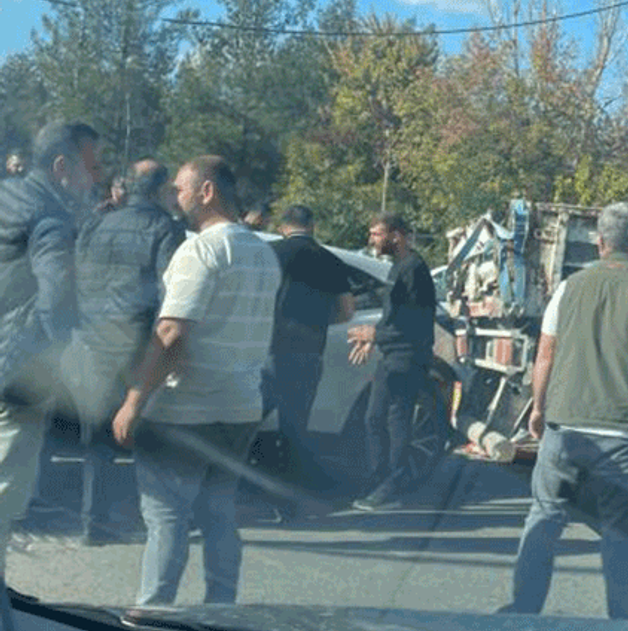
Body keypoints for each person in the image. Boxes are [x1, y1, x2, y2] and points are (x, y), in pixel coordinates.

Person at [501, 201, 628, 621]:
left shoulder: (570, 287)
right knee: (620, 529)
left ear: (600, 242)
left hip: (565, 427)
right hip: (626, 433)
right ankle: (624, 619)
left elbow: (545, 355)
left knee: (545, 515)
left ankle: (523, 609)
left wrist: (538, 407)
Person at [112, 156, 280, 605]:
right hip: (241, 408)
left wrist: (133, 401)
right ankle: (221, 609)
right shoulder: (264, 254)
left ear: (207, 191)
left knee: (166, 515)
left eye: (181, 189)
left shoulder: (200, 251)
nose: (175, 197)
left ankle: (154, 614)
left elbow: (171, 332)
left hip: (185, 409)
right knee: (219, 513)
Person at [64, 159, 184, 546]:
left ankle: (92, 521)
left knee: (95, 439)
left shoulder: (95, 223)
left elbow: (75, 278)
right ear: (160, 189)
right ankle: (143, 518)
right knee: (143, 433)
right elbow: (170, 294)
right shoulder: (166, 228)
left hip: (91, 341)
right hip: (136, 345)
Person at [0, 121, 101, 574]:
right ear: (62, 167)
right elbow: (56, 298)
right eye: (91, 168)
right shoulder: (51, 216)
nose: (95, 179)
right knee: (5, 493)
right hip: (16, 374)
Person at [260, 205, 354, 509]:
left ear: (282, 226)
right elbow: (346, 311)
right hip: (309, 353)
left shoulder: (269, 253)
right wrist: (318, 322)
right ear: (312, 225)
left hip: (268, 351)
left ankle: (226, 485)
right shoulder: (330, 260)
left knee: (244, 421)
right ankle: (286, 500)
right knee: (295, 428)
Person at [346, 212, 441, 511]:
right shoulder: (398, 267)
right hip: (393, 354)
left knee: (395, 419)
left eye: (377, 234)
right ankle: (380, 478)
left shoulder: (414, 270)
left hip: (407, 356)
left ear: (396, 235)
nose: (371, 240)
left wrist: (375, 334)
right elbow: (393, 317)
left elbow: (414, 322)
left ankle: (393, 485)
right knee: (374, 418)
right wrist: (372, 338)